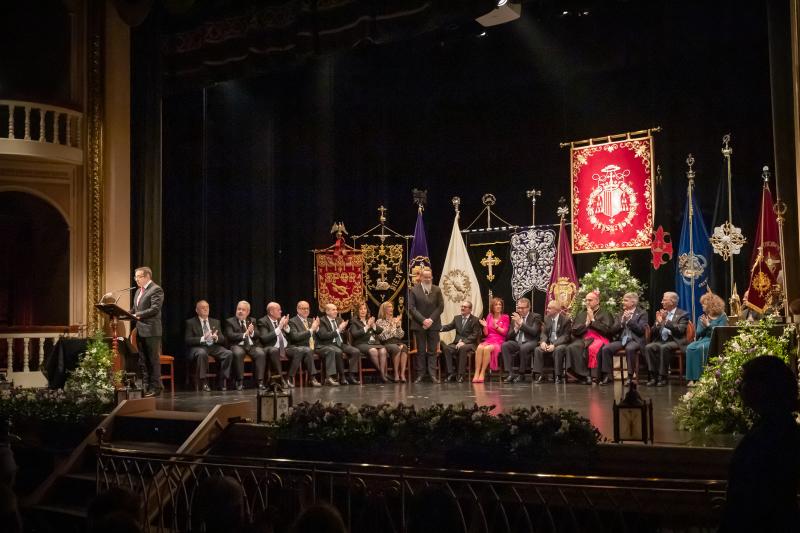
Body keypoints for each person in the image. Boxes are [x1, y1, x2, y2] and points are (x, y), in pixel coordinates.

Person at [719, 356, 800, 532]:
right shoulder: (775, 424)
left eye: (747, 380)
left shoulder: (774, 431)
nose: (741, 387)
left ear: (764, 387)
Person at [597, 292, 648, 386]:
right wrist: (621, 322)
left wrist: (629, 321)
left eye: (625, 300)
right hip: (622, 340)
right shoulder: (620, 313)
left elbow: (641, 330)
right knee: (606, 348)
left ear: (633, 302)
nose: (622, 302)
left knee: (630, 348)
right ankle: (608, 376)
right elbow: (612, 330)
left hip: (635, 340)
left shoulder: (642, 313)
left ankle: (630, 376)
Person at [565, 291, 614, 385]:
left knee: (591, 347)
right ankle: (582, 376)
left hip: (599, 338)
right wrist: (586, 324)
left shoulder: (605, 313)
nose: (587, 302)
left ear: (597, 301)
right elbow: (574, 330)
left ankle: (594, 376)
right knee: (572, 347)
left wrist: (592, 320)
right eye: (586, 300)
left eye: (590, 300)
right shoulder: (582, 313)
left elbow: (607, 330)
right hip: (584, 338)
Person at [184, 300, 233, 391]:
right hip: (198, 347)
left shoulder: (215, 322)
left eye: (207, 307)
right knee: (202, 353)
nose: (206, 309)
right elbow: (188, 340)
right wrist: (203, 338)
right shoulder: (190, 322)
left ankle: (222, 381)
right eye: (203, 308)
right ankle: (203, 382)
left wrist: (216, 338)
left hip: (213, 346)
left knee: (228, 353)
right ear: (197, 310)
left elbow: (223, 339)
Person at [130, 266, 164, 396]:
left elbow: (155, 309)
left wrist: (137, 315)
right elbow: (134, 309)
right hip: (140, 330)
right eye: (135, 277)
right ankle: (146, 386)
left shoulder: (156, 290)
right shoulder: (139, 291)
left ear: (147, 276)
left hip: (151, 330)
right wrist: (123, 314)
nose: (136, 279)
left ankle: (156, 388)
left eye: (139, 277)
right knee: (143, 360)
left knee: (152, 360)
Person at [408, 267, 444, 384]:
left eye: (430, 277)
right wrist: (423, 320)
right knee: (421, 351)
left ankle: (432, 375)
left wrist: (431, 320)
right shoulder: (414, 290)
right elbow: (412, 308)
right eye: (426, 277)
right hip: (419, 325)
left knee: (433, 350)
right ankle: (420, 375)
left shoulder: (437, 290)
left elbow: (440, 307)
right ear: (421, 278)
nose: (428, 279)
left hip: (433, 325)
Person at [644, 291, 689, 387]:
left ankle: (663, 376)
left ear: (672, 302)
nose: (661, 302)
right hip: (661, 340)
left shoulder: (682, 314)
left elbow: (680, 331)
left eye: (664, 300)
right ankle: (653, 376)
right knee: (649, 347)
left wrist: (666, 321)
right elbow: (653, 331)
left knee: (664, 347)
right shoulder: (661, 313)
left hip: (675, 340)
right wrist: (658, 323)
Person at [685, 292, 728, 386]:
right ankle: (692, 378)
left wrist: (709, 325)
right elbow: (699, 333)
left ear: (711, 305)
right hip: (704, 339)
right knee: (690, 348)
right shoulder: (702, 317)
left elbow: (720, 331)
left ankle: (702, 378)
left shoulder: (722, 316)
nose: (702, 306)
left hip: (715, 340)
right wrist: (703, 326)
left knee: (701, 348)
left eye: (703, 304)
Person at [223, 301, 266, 390]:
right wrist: (244, 334)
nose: (240, 311)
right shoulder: (230, 321)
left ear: (248, 312)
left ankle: (260, 381)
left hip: (251, 346)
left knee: (261, 353)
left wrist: (252, 332)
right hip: (237, 345)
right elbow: (230, 335)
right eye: (239, 309)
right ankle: (239, 381)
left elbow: (258, 334)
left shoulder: (252, 320)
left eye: (243, 310)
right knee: (238, 353)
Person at [316, 302, 362, 385]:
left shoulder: (339, 320)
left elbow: (343, 335)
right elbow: (323, 336)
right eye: (333, 310)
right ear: (327, 312)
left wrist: (344, 330)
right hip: (328, 344)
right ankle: (342, 376)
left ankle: (351, 375)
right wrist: (338, 330)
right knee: (338, 352)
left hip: (340, 343)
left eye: (336, 310)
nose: (336, 311)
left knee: (356, 351)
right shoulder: (322, 321)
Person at [501, 297, 542, 383]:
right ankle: (510, 373)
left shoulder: (536, 317)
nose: (520, 310)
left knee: (523, 347)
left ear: (528, 308)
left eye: (523, 308)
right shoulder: (515, 318)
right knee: (505, 345)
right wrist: (515, 328)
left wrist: (521, 323)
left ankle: (521, 374)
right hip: (517, 342)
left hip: (531, 341)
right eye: (519, 307)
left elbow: (534, 332)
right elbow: (508, 336)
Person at [439, 301, 481, 383]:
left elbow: (475, 335)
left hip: (470, 344)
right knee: (446, 348)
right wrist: (438, 327)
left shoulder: (475, 320)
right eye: (462, 306)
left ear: (470, 309)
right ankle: (450, 373)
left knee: (463, 348)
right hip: (456, 343)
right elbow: (448, 327)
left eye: (465, 307)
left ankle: (461, 375)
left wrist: (464, 342)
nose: (462, 308)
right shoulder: (457, 318)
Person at [532, 300, 572, 384]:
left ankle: (558, 376)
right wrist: (543, 342)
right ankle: (540, 375)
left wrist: (554, 345)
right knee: (538, 349)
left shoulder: (566, 320)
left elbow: (566, 336)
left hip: (561, 344)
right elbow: (544, 333)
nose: (547, 310)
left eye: (549, 308)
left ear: (556, 310)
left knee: (558, 350)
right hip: (549, 343)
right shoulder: (547, 318)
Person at [472, 297, 509, 383]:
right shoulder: (489, 316)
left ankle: (482, 372)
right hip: (489, 339)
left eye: (500, 304)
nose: (498, 306)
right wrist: (485, 326)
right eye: (496, 304)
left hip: (499, 340)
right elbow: (486, 334)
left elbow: (504, 333)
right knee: (480, 347)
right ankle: (477, 372)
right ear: (492, 307)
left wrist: (496, 326)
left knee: (487, 349)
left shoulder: (505, 317)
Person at [350, 302, 389, 382]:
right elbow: (354, 334)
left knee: (383, 350)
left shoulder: (369, 319)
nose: (363, 311)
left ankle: (382, 374)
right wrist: (367, 326)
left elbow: (380, 331)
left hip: (374, 343)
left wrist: (373, 325)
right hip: (361, 344)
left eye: (365, 309)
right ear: (357, 311)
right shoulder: (354, 321)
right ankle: (383, 374)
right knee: (373, 351)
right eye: (361, 309)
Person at [256, 301, 292, 388]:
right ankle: (281, 378)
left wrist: (286, 326)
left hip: (284, 347)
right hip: (271, 347)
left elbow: (291, 335)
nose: (281, 311)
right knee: (274, 350)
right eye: (278, 310)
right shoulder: (263, 321)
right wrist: (279, 328)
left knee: (300, 350)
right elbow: (264, 338)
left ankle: (289, 377)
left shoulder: (281, 320)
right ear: (271, 312)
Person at [287, 301, 322, 387]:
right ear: (298, 309)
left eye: (307, 308)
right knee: (307, 350)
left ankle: (326, 377)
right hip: (297, 347)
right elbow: (295, 337)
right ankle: (312, 378)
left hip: (311, 348)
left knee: (329, 350)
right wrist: (311, 330)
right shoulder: (292, 321)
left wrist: (317, 329)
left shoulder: (311, 320)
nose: (306, 310)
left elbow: (319, 337)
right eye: (303, 309)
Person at [376, 300, 409, 383]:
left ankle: (402, 374)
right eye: (389, 307)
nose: (391, 309)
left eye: (392, 307)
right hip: (387, 342)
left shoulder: (395, 320)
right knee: (396, 348)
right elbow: (382, 336)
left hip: (397, 341)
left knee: (404, 347)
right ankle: (396, 374)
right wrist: (391, 324)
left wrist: (398, 326)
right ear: (384, 309)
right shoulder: (379, 321)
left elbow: (401, 336)